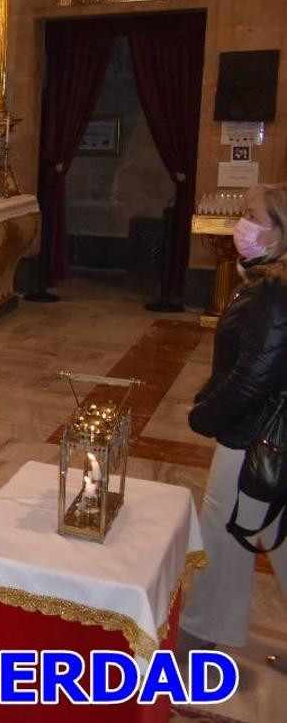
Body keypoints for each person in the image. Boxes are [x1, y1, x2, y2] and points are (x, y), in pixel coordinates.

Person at [181, 183, 287, 653]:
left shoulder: (273, 292)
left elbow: (255, 374)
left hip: (254, 433)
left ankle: (206, 629)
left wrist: (207, 415)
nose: (241, 225)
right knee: (275, 532)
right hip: (267, 427)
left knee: (223, 530)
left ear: (280, 232)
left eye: (252, 216)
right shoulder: (267, 283)